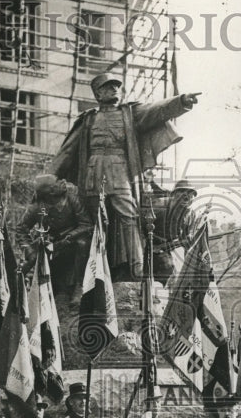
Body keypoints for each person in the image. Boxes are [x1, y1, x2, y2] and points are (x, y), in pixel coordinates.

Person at [51, 72, 200, 279]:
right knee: (92, 224)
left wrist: (181, 101)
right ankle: (88, 279)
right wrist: (50, 178)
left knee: (129, 217)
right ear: (98, 93)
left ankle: (137, 270)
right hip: (93, 173)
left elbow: (156, 110)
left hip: (120, 170)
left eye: (116, 86)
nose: (114, 89)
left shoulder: (130, 113)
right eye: (108, 87)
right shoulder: (88, 119)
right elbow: (68, 151)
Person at [19, 173, 93, 297]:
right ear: (50, 192)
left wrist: (70, 236)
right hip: (52, 243)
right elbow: (21, 229)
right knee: (36, 265)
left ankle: (79, 286)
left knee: (83, 243)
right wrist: (29, 250)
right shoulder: (36, 207)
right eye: (57, 182)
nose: (63, 181)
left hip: (73, 240)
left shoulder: (71, 198)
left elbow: (86, 223)